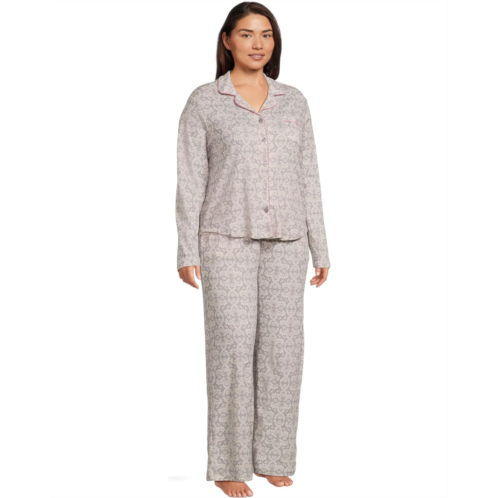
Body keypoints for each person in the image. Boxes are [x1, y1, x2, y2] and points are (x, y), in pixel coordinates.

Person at [175, 2, 330, 496]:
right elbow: (190, 180)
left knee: (284, 352)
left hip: (289, 242)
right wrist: (186, 249)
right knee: (232, 350)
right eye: (246, 34)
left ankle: (273, 456)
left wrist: (321, 246)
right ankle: (229, 463)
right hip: (225, 240)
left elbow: (308, 175)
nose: (258, 43)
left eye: (266, 34)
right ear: (227, 40)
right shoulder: (206, 101)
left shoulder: (294, 101)